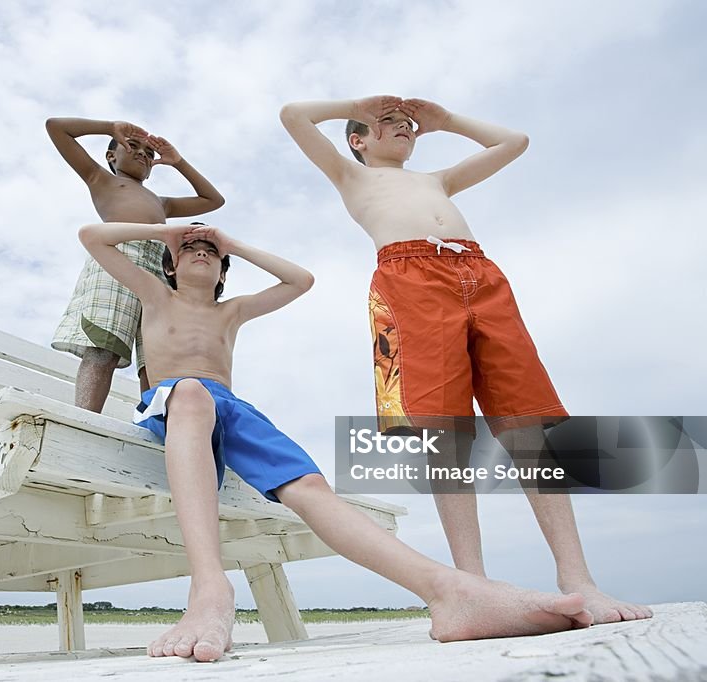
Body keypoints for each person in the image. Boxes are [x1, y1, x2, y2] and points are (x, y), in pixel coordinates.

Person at [79, 220, 594, 663]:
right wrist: (166, 231)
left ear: (223, 269)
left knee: (311, 486)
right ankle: (208, 589)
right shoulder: (154, 294)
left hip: (232, 410)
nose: (200, 251)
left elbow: (300, 279)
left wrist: (231, 242)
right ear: (169, 266)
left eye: (210, 252)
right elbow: (93, 237)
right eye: (189, 249)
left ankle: (451, 592)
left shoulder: (230, 311)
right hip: (173, 404)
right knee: (191, 393)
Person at [279, 95, 652, 624]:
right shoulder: (351, 175)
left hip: (481, 275)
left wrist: (446, 122)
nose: (402, 127)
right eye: (386, 123)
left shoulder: (436, 179)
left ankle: (578, 579)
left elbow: (513, 143)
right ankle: (473, 586)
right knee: (446, 432)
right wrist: (360, 105)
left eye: (406, 123)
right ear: (358, 140)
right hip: (409, 281)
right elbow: (294, 115)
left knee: (525, 425)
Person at [45, 116, 224, 411]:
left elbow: (213, 199)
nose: (144, 153)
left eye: (150, 153)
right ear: (111, 156)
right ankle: (85, 418)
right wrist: (109, 128)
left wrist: (178, 161)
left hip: (160, 267)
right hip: (117, 255)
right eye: (133, 145)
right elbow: (56, 127)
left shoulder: (162, 202)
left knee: (156, 357)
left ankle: (158, 426)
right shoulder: (101, 178)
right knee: (104, 345)